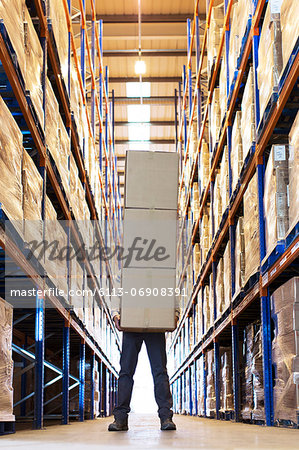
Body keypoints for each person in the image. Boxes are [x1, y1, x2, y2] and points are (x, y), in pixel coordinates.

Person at [108, 308, 179, 432]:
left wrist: (175, 314)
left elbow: (170, 292)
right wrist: (115, 315)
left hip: (156, 324)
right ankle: (120, 418)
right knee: (126, 372)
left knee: (160, 371)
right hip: (131, 324)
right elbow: (118, 293)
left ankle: (166, 417)